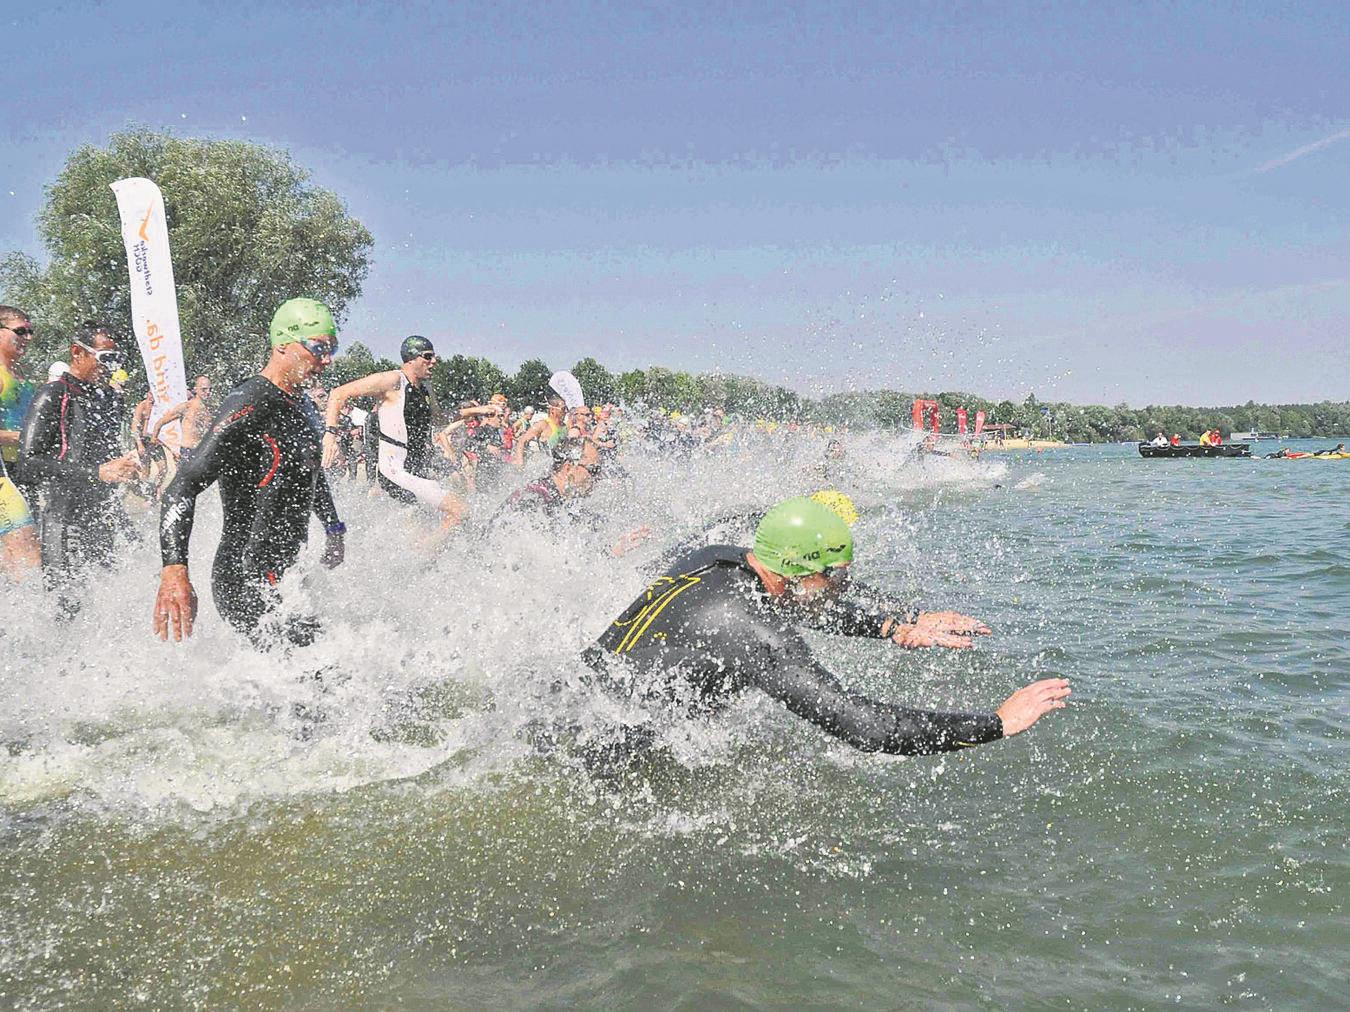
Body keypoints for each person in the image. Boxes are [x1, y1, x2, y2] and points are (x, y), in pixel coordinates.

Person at [583, 497, 1069, 756]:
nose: (842, 586)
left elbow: (807, 605)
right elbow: (867, 727)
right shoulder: (752, 631)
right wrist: (997, 723)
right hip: (605, 751)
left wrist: (895, 624)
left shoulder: (717, 560)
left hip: (577, 700)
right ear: (796, 572)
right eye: (836, 576)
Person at [153, 298, 346, 646]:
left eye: (333, 349)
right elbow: (183, 483)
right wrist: (174, 569)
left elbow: (309, 472)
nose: (327, 360)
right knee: (316, 677)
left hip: (285, 573)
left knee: (317, 674)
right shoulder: (250, 400)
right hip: (245, 575)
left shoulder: (301, 404)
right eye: (319, 348)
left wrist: (334, 528)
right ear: (283, 344)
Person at [17, 323, 141, 607]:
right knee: (69, 608)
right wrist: (96, 472)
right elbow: (27, 463)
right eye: (106, 358)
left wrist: (130, 467)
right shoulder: (54, 394)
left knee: (109, 603)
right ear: (77, 352)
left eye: (118, 359)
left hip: (103, 515)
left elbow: (108, 458)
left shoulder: (107, 398)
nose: (112, 367)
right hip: (65, 519)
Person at [322, 336, 467, 527]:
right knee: (460, 511)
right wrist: (330, 435)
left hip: (415, 470)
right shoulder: (393, 380)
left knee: (425, 526)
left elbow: (438, 419)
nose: (434, 361)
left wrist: (474, 411)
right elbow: (338, 394)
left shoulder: (425, 389)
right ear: (411, 358)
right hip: (395, 471)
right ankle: (428, 556)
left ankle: (419, 554)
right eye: (428, 356)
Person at [149, 375, 213, 463]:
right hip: (188, 450)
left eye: (210, 389)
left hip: (202, 451)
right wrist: (153, 441)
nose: (208, 392)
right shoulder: (187, 406)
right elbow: (159, 423)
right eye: (204, 389)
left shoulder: (210, 410)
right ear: (195, 389)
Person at [514, 395, 568, 464]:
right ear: (552, 410)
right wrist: (520, 462)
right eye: (563, 409)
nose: (566, 411)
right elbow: (522, 441)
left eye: (566, 408)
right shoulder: (543, 425)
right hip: (544, 467)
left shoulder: (564, 427)